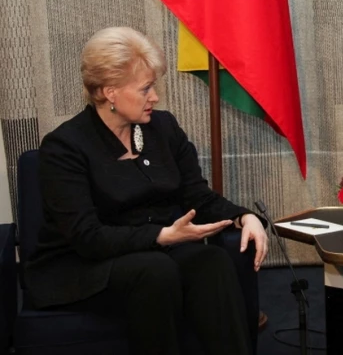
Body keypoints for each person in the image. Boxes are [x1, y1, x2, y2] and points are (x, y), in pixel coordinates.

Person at [25, 26, 269, 355]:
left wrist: (244, 217)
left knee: (211, 261)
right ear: (110, 92)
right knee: (155, 271)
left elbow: (198, 196)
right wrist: (162, 236)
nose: (154, 97)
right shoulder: (65, 147)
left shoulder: (163, 128)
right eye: (145, 89)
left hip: (155, 253)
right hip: (85, 264)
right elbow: (87, 237)